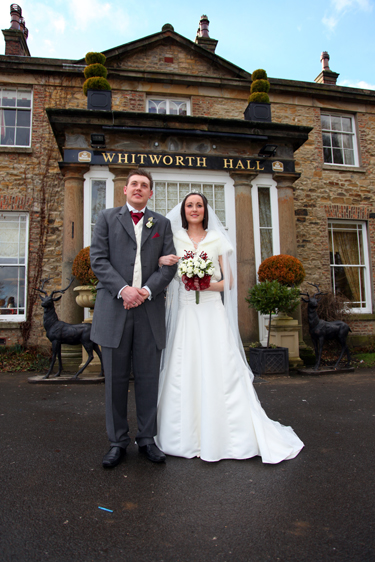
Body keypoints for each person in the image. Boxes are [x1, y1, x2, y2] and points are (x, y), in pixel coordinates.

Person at [155, 192, 304, 463]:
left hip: (211, 310)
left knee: (218, 365)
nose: (194, 209)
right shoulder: (173, 238)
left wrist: (203, 284)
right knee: (184, 365)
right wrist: (178, 277)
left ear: (205, 210)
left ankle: (226, 435)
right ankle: (182, 435)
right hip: (187, 312)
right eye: (190, 205)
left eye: (199, 205)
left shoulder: (217, 239)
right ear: (184, 210)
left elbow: (228, 282)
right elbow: (166, 274)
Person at [90, 169, 177, 467]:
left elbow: (169, 266)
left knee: (148, 378)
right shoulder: (106, 218)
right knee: (114, 380)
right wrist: (125, 291)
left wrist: (145, 291)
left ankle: (147, 439)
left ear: (151, 193)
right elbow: (98, 260)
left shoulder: (162, 224)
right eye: (134, 184)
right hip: (114, 310)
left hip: (149, 311)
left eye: (145, 186)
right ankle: (117, 442)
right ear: (125, 190)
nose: (139, 189)